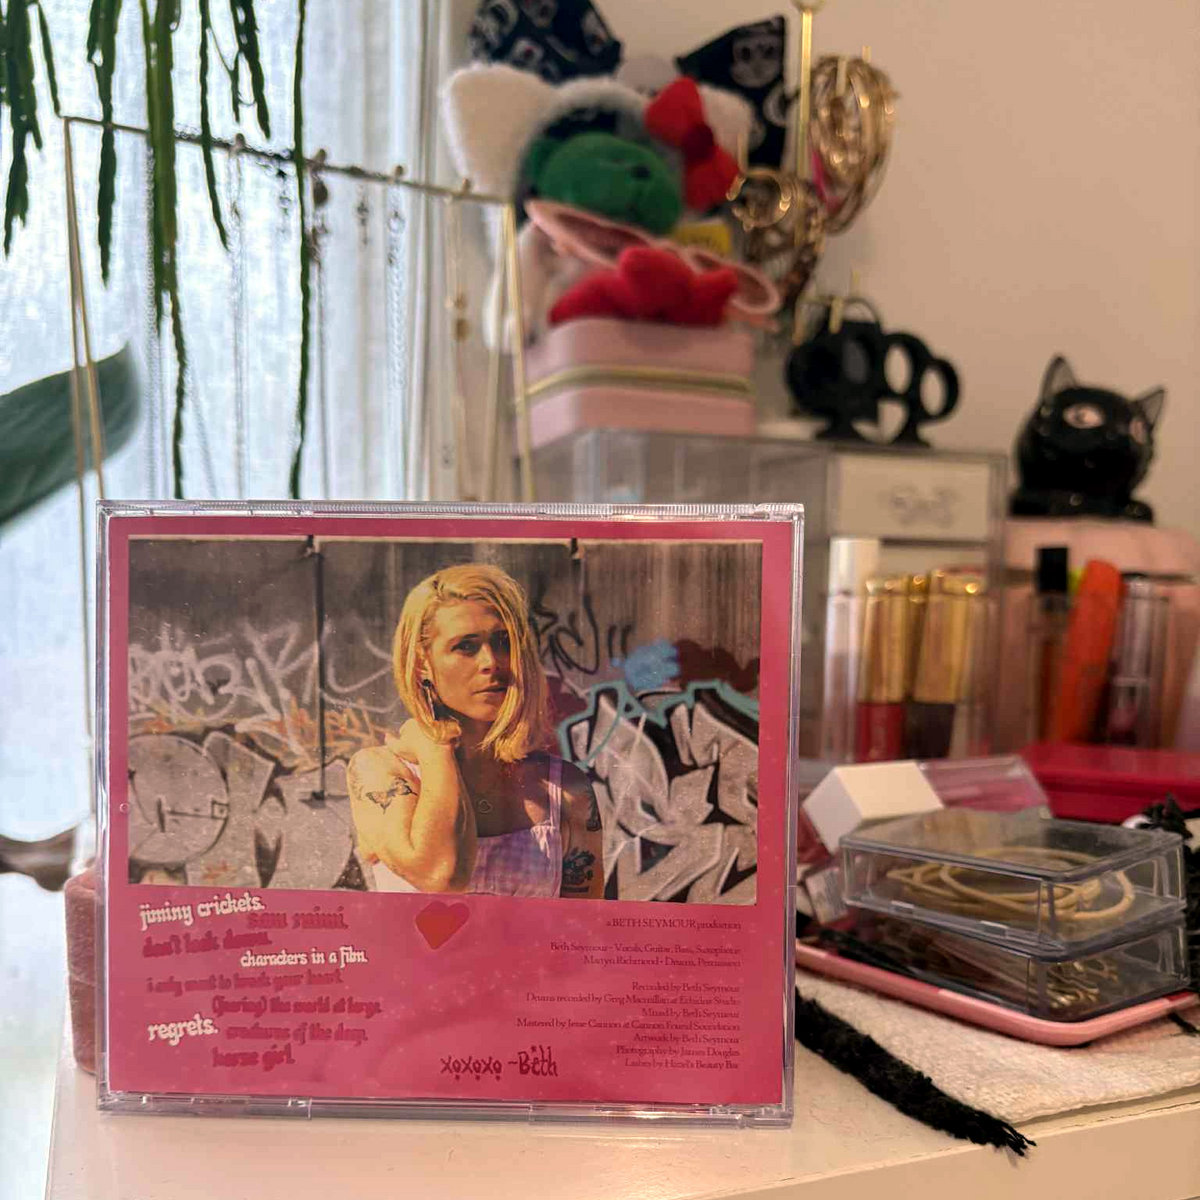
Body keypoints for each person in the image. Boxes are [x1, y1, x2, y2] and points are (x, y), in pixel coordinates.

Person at [348, 563, 603, 899]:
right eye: (466, 647)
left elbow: (584, 924)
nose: (491, 662)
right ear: (423, 664)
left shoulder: (566, 790)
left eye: (503, 642)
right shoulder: (381, 772)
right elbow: (443, 877)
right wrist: (435, 748)